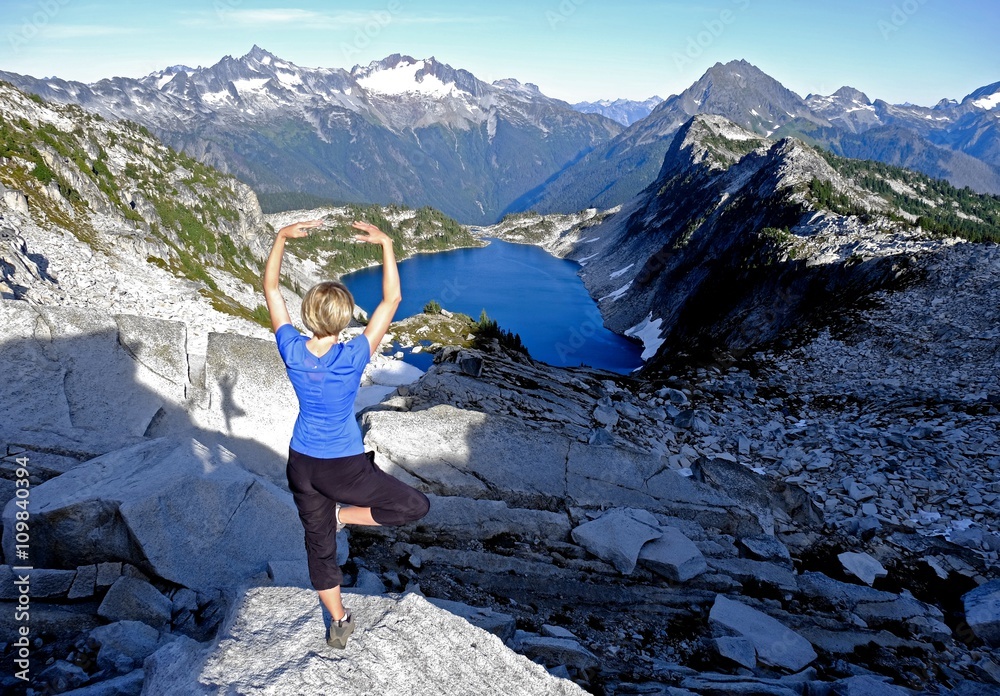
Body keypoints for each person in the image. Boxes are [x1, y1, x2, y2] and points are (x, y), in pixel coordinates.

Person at [262, 218, 430, 649]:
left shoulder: (292, 350)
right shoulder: (353, 354)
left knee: (317, 547)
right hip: (344, 469)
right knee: (413, 505)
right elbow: (392, 299)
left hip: (301, 463)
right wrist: (387, 243)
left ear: (308, 316)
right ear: (344, 320)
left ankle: (339, 620)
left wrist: (280, 238)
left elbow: (271, 290)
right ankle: (344, 516)